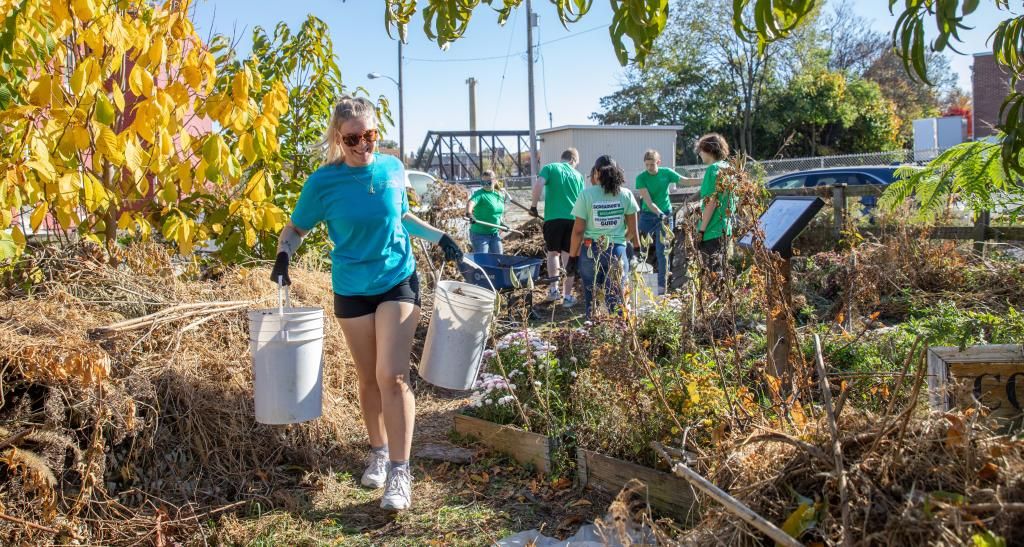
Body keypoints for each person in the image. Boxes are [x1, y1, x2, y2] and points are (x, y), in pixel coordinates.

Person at [270, 95, 463, 512]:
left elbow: (402, 217)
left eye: (369, 135)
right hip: (352, 286)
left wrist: (440, 238)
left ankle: (399, 470)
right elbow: (295, 229)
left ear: (377, 132)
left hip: (397, 279)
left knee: (391, 375)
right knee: (368, 379)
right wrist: (284, 255)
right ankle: (377, 449)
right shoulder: (323, 183)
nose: (363, 145)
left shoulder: (393, 168)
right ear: (339, 139)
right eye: (353, 138)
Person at [565, 156, 641, 319]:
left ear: (597, 173)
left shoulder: (586, 195)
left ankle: (593, 328)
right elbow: (633, 230)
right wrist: (623, 241)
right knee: (616, 297)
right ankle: (620, 333)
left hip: (590, 250)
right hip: (617, 252)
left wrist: (572, 257)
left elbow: (578, 231)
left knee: (592, 298)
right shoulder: (626, 194)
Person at [530, 148, 584, 307]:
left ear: (563, 158)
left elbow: (539, 184)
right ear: (573, 160)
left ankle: (553, 290)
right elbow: (582, 199)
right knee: (569, 256)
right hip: (574, 219)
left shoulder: (550, 168)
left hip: (553, 219)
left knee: (553, 253)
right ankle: (567, 297)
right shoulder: (579, 176)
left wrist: (533, 206)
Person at [635, 149, 683, 295]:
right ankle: (640, 284)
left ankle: (663, 286)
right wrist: (659, 214)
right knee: (641, 249)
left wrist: (705, 180)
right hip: (648, 216)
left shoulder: (666, 173)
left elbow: (685, 181)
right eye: (647, 165)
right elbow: (648, 202)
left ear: (658, 162)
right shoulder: (641, 178)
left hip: (666, 216)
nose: (649, 168)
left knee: (663, 251)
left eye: (652, 164)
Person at [693, 133, 734, 274]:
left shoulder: (712, 170)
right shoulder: (728, 168)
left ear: (708, 150)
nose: (700, 154)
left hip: (712, 230)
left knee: (714, 275)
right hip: (726, 228)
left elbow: (711, 202)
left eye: (701, 151)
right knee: (723, 272)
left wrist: (701, 230)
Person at [465, 170, 507, 254]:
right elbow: (470, 203)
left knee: (499, 259)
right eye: (483, 182)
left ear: (494, 181)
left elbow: (497, 214)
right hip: (479, 235)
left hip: (494, 234)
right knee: (483, 261)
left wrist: (502, 224)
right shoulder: (479, 194)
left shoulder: (499, 195)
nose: (486, 185)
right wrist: (469, 214)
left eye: (488, 182)